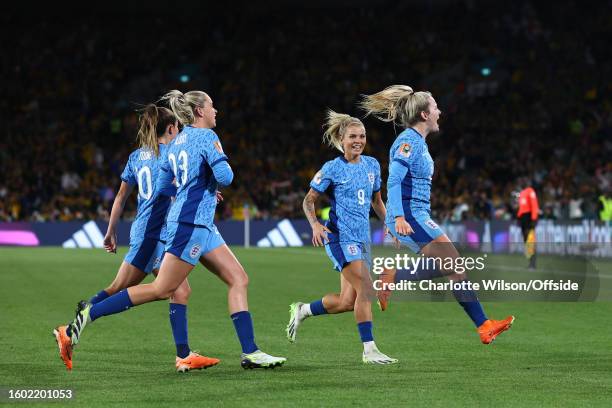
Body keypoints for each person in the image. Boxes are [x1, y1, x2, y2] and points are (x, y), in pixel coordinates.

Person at [66, 90, 286, 369]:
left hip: (204, 225)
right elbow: (226, 177)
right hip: (189, 226)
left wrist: (194, 187)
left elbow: (162, 187)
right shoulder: (207, 138)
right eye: (212, 106)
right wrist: (214, 168)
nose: (216, 111)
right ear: (199, 111)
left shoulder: (174, 144)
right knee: (163, 288)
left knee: (238, 278)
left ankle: (251, 352)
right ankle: (90, 315)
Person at [53, 105, 216, 372]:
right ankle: (71, 329)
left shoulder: (136, 157)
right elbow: (175, 190)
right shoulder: (171, 153)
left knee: (172, 290)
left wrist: (111, 229)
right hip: (155, 233)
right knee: (158, 289)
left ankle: (184, 354)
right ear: (172, 129)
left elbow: (120, 197)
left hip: (146, 230)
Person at [360, 85, 514, 344]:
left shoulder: (416, 142)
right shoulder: (408, 141)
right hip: (411, 214)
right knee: (454, 265)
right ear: (424, 115)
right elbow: (395, 180)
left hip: (417, 213)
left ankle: (483, 325)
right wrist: (397, 217)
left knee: (453, 267)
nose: (439, 112)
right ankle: (482, 324)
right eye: (435, 107)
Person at [286, 110, 397, 364]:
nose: (358, 140)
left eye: (362, 136)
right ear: (341, 139)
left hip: (362, 240)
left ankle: (303, 310)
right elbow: (309, 200)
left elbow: (377, 201)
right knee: (366, 290)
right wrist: (315, 224)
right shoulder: (332, 168)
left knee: (348, 301)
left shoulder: (372, 165)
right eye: (352, 137)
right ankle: (369, 351)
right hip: (339, 238)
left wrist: (389, 224)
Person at [516, 178, 539, 269]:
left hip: (529, 219)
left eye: (524, 181)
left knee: (530, 241)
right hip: (524, 220)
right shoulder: (522, 193)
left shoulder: (530, 191)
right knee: (527, 242)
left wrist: (534, 219)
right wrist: (518, 217)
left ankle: (533, 264)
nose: (522, 183)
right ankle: (530, 263)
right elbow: (521, 208)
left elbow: (534, 205)